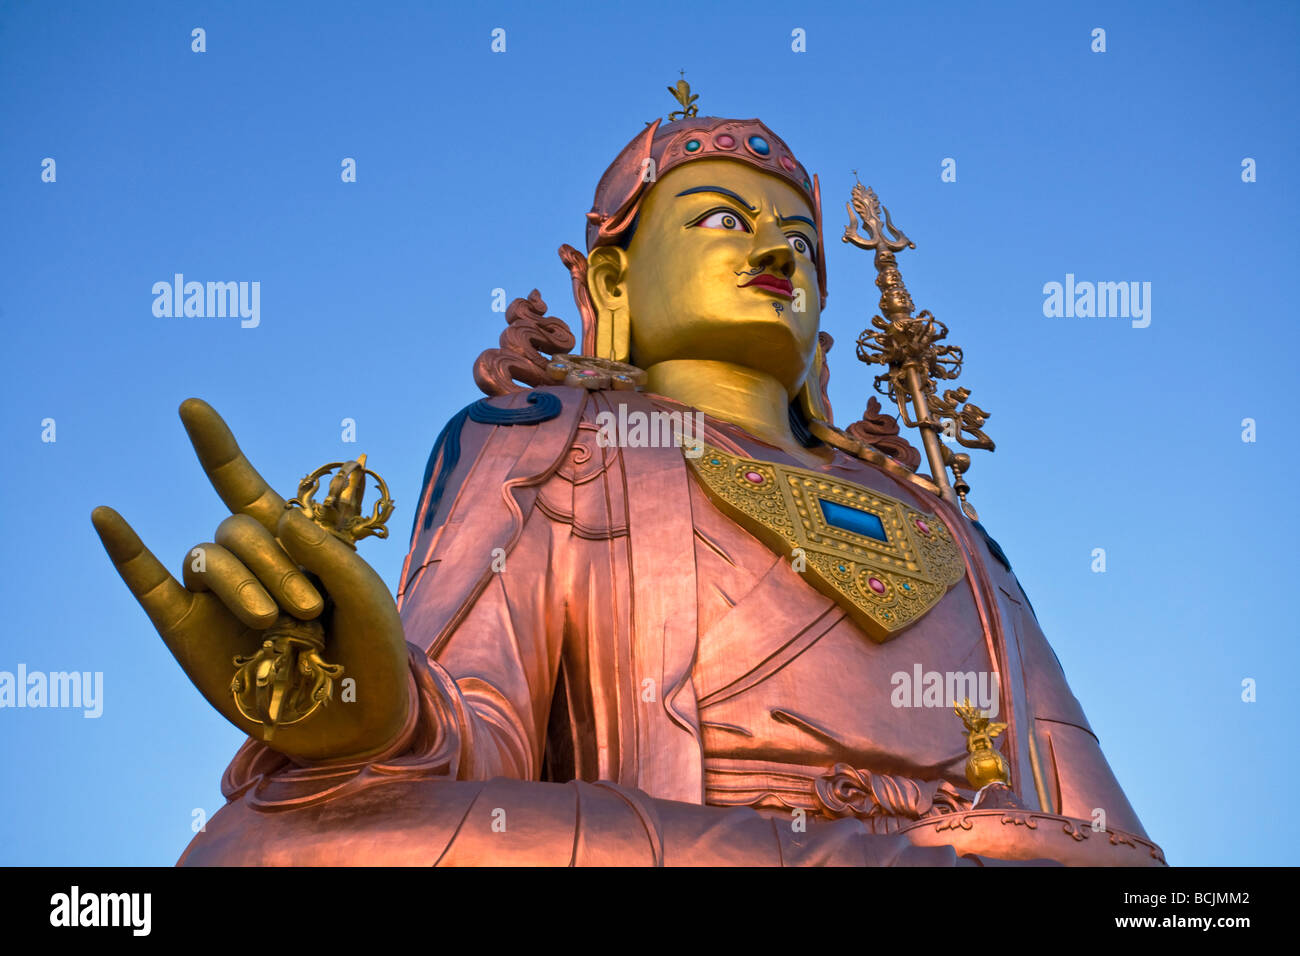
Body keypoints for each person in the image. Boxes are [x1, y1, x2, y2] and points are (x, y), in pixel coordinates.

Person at [92, 95, 1164, 866]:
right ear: (612, 275)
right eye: (720, 220)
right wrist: (372, 720)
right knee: (266, 847)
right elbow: (475, 736)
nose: (775, 253)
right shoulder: (542, 439)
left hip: (980, 852)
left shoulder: (946, 526)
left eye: (799, 239)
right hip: (686, 847)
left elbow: (1110, 834)